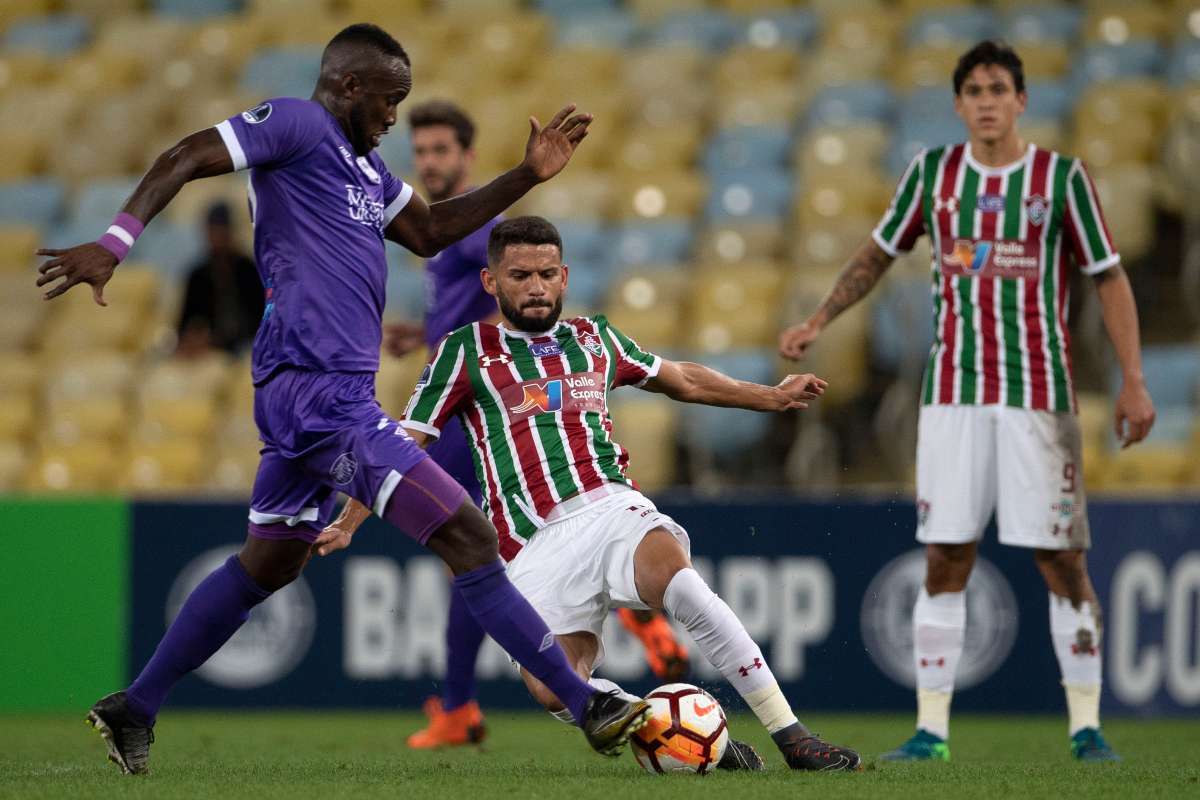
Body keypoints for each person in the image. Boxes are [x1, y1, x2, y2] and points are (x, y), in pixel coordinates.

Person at [35, 23, 649, 775]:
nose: (395, 116)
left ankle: (135, 705)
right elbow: (187, 154)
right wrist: (116, 240)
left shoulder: (368, 173)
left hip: (316, 392)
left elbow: (427, 231)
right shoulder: (296, 124)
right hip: (320, 394)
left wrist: (526, 176)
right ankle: (585, 704)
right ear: (350, 86)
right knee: (468, 534)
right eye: (389, 100)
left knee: (270, 565)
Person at [317, 216, 864, 773]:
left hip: (610, 507)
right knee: (555, 689)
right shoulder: (466, 350)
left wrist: (770, 396)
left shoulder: (594, 338)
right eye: (521, 274)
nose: (535, 286)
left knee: (685, 588)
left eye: (547, 273)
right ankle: (696, 739)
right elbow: (404, 444)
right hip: (530, 547)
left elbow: (684, 378)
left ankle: (791, 735)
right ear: (491, 283)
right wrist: (350, 519)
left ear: (565, 277)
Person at [777, 41, 1156, 763]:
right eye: (974, 89)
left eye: (998, 88)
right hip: (950, 397)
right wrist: (820, 319)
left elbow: (1108, 277)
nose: (986, 100)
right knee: (946, 555)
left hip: (1040, 400)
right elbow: (877, 254)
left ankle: (1086, 725)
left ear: (1021, 100)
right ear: (958, 104)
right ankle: (931, 730)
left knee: (1062, 560)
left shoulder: (1060, 180)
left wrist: (1133, 378)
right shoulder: (932, 176)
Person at [393, 100, 689, 750]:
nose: (430, 163)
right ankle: (462, 704)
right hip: (470, 416)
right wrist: (421, 334)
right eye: (422, 151)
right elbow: (473, 325)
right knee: (467, 561)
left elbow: (514, 323)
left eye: (443, 150)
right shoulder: (444, 241)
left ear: (468, 157)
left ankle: (462, 706)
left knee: (470, 558)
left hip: (483, 428)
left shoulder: (473, 234)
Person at [176, 201, 264, 357]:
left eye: (221, 231)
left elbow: (260, 318)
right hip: (206, 352)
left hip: (244, 347)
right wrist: (194, 336)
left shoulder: (248, 270)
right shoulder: (198, 275)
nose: (216, 237)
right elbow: (185, 322)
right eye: (212, 231)